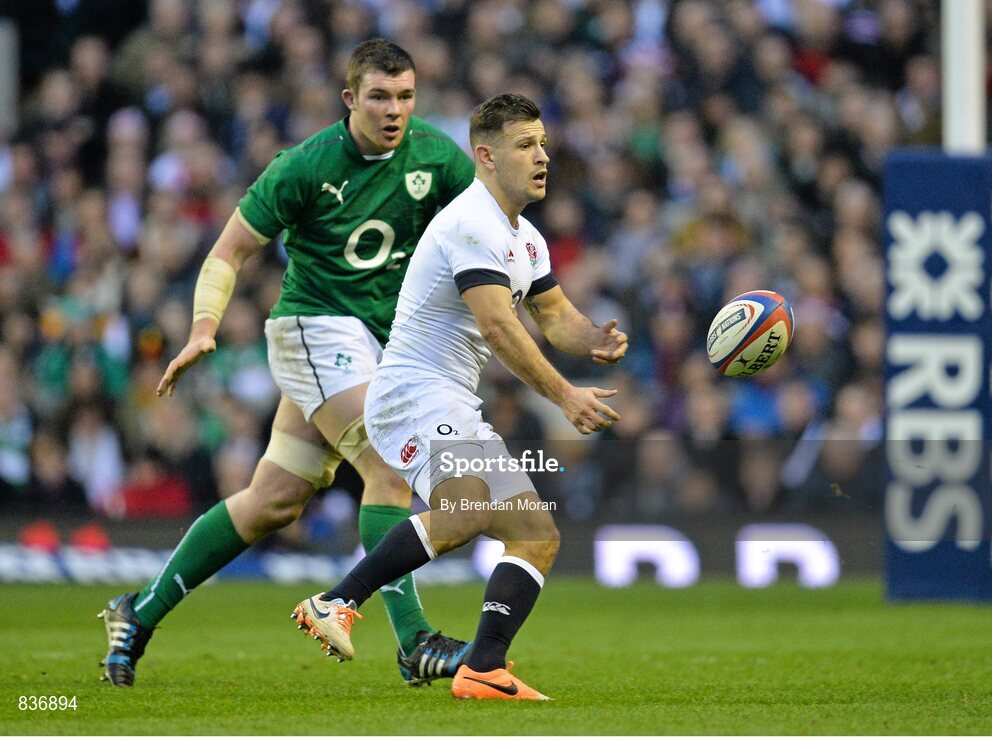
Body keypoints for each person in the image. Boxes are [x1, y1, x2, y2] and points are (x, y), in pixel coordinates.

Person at [99, 39, 476, 688]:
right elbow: (228, 251)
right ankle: (415, 642)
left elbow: (482, 233)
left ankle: (139, 611)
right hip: (311, 328)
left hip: (376, 346)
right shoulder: (304, 166)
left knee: (272, 501)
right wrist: (204, 326)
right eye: (380, 96)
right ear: (349, 98)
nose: (394, 110)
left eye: (406, 97)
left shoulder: (437, 157)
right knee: (386, 464)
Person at [291, 93, 628, 701]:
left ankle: (483, 669)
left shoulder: (524, 238)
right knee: (467, 509)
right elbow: (499, 328)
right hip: (412, 392)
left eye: (544, 143)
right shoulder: (469, 222)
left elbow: (554, 316)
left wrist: (595, 337)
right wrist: (563, 396)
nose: (542, 156)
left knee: (535, 534)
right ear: (486, 156)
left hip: (450, 399)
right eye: (525, 145)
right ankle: (334, 601)